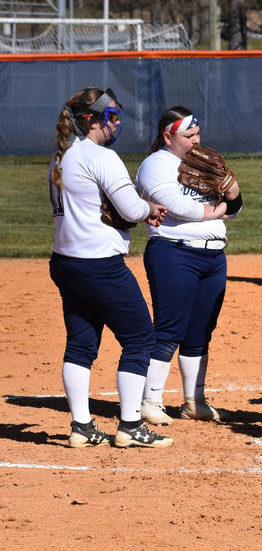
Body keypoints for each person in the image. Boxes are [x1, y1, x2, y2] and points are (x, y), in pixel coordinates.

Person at [48, 86, 173, 449]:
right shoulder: (101, 157)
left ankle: (82, 427)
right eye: (112, 116)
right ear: (92, 121)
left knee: (81, 344)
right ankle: (131, 425)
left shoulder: (60, 157)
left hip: (66, 262)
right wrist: (148, 207)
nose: (117, 122)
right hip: (99, 263)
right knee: (140, 339)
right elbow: (132, 211)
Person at [135, 106, 243, 426]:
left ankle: (194, 401)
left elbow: (235, 209)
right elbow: (179, 208)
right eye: (188, 135)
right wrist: (219, 207)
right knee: (169, 329)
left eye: (197, 133)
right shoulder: (154, 165)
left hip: (213, 256)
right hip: (174, 252)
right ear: (168, 137)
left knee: (200, 332)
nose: (196, 141)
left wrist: (231, 191)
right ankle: (150, 400)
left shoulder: (202, 162)